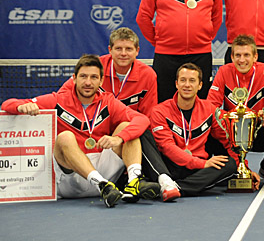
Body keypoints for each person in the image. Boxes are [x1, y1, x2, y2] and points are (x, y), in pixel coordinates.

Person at [1, 55, 160, 208]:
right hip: (71, 180)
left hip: (106, 176)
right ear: (74, 78)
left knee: (127, 128)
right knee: (65, 137)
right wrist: (20, 106)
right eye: (83, 76)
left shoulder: (108, 101)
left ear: (101, 81)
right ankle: (101, 184)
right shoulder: (58, 100)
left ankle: (134, 181)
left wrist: (119, 138)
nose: (88, 82)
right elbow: (7, 104)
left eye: (94, 77)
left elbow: (142, 120)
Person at [59, 27, 180, 201]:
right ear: (110, 50)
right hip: (97, 133)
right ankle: (146, 181)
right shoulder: (94, 69)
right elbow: (64, 97)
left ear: (137, 51)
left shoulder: (148, 75)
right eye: (118, 48)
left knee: (138, 129)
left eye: (128, 49)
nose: (123, 53)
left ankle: (159, 181)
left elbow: (147, 117)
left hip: (126, 134)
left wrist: (122, 136)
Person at [207, 34, 264, 185]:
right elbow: (210, 107)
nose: (242, 60)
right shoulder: (223, 71)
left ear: (255, 57)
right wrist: (230, 118)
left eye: (246, 55)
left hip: (258, 131)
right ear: (232, 57)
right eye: (238, 55)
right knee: (209, 129)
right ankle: (229, 169)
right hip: (232, 133)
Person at [150, 63, 250, 196]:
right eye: (183, 80)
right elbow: (167, 147)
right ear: (176, 84)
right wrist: (202, 163)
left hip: (197, 169)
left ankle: (176, 188)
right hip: (171, 166)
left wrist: (244, 168)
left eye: (192, 81)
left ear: (200, 85)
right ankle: (183, 185)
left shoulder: (210, 109)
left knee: (229, 164)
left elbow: (227, 139)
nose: (187, 85)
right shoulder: (159, 111)